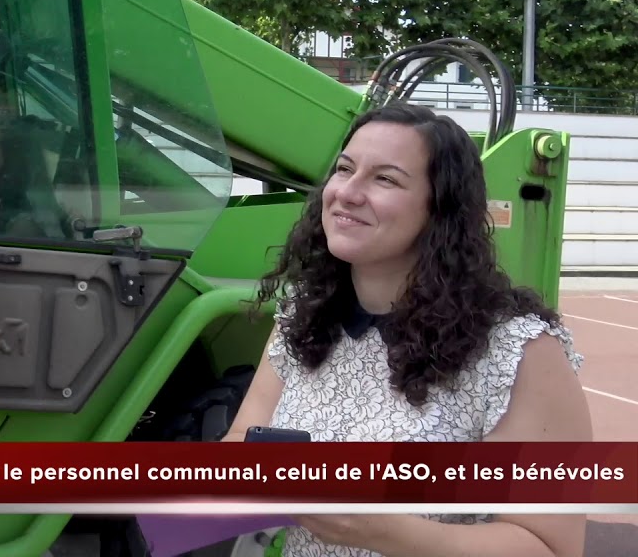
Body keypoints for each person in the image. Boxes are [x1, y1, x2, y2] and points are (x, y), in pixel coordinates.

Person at [222, 102, 591, 557]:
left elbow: (551, 547)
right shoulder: (304, 316)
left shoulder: (518, 351)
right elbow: (243, 442)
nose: (348, 192)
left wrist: (385, 531)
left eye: (385, 179)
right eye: (344, 169)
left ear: (440, 210)